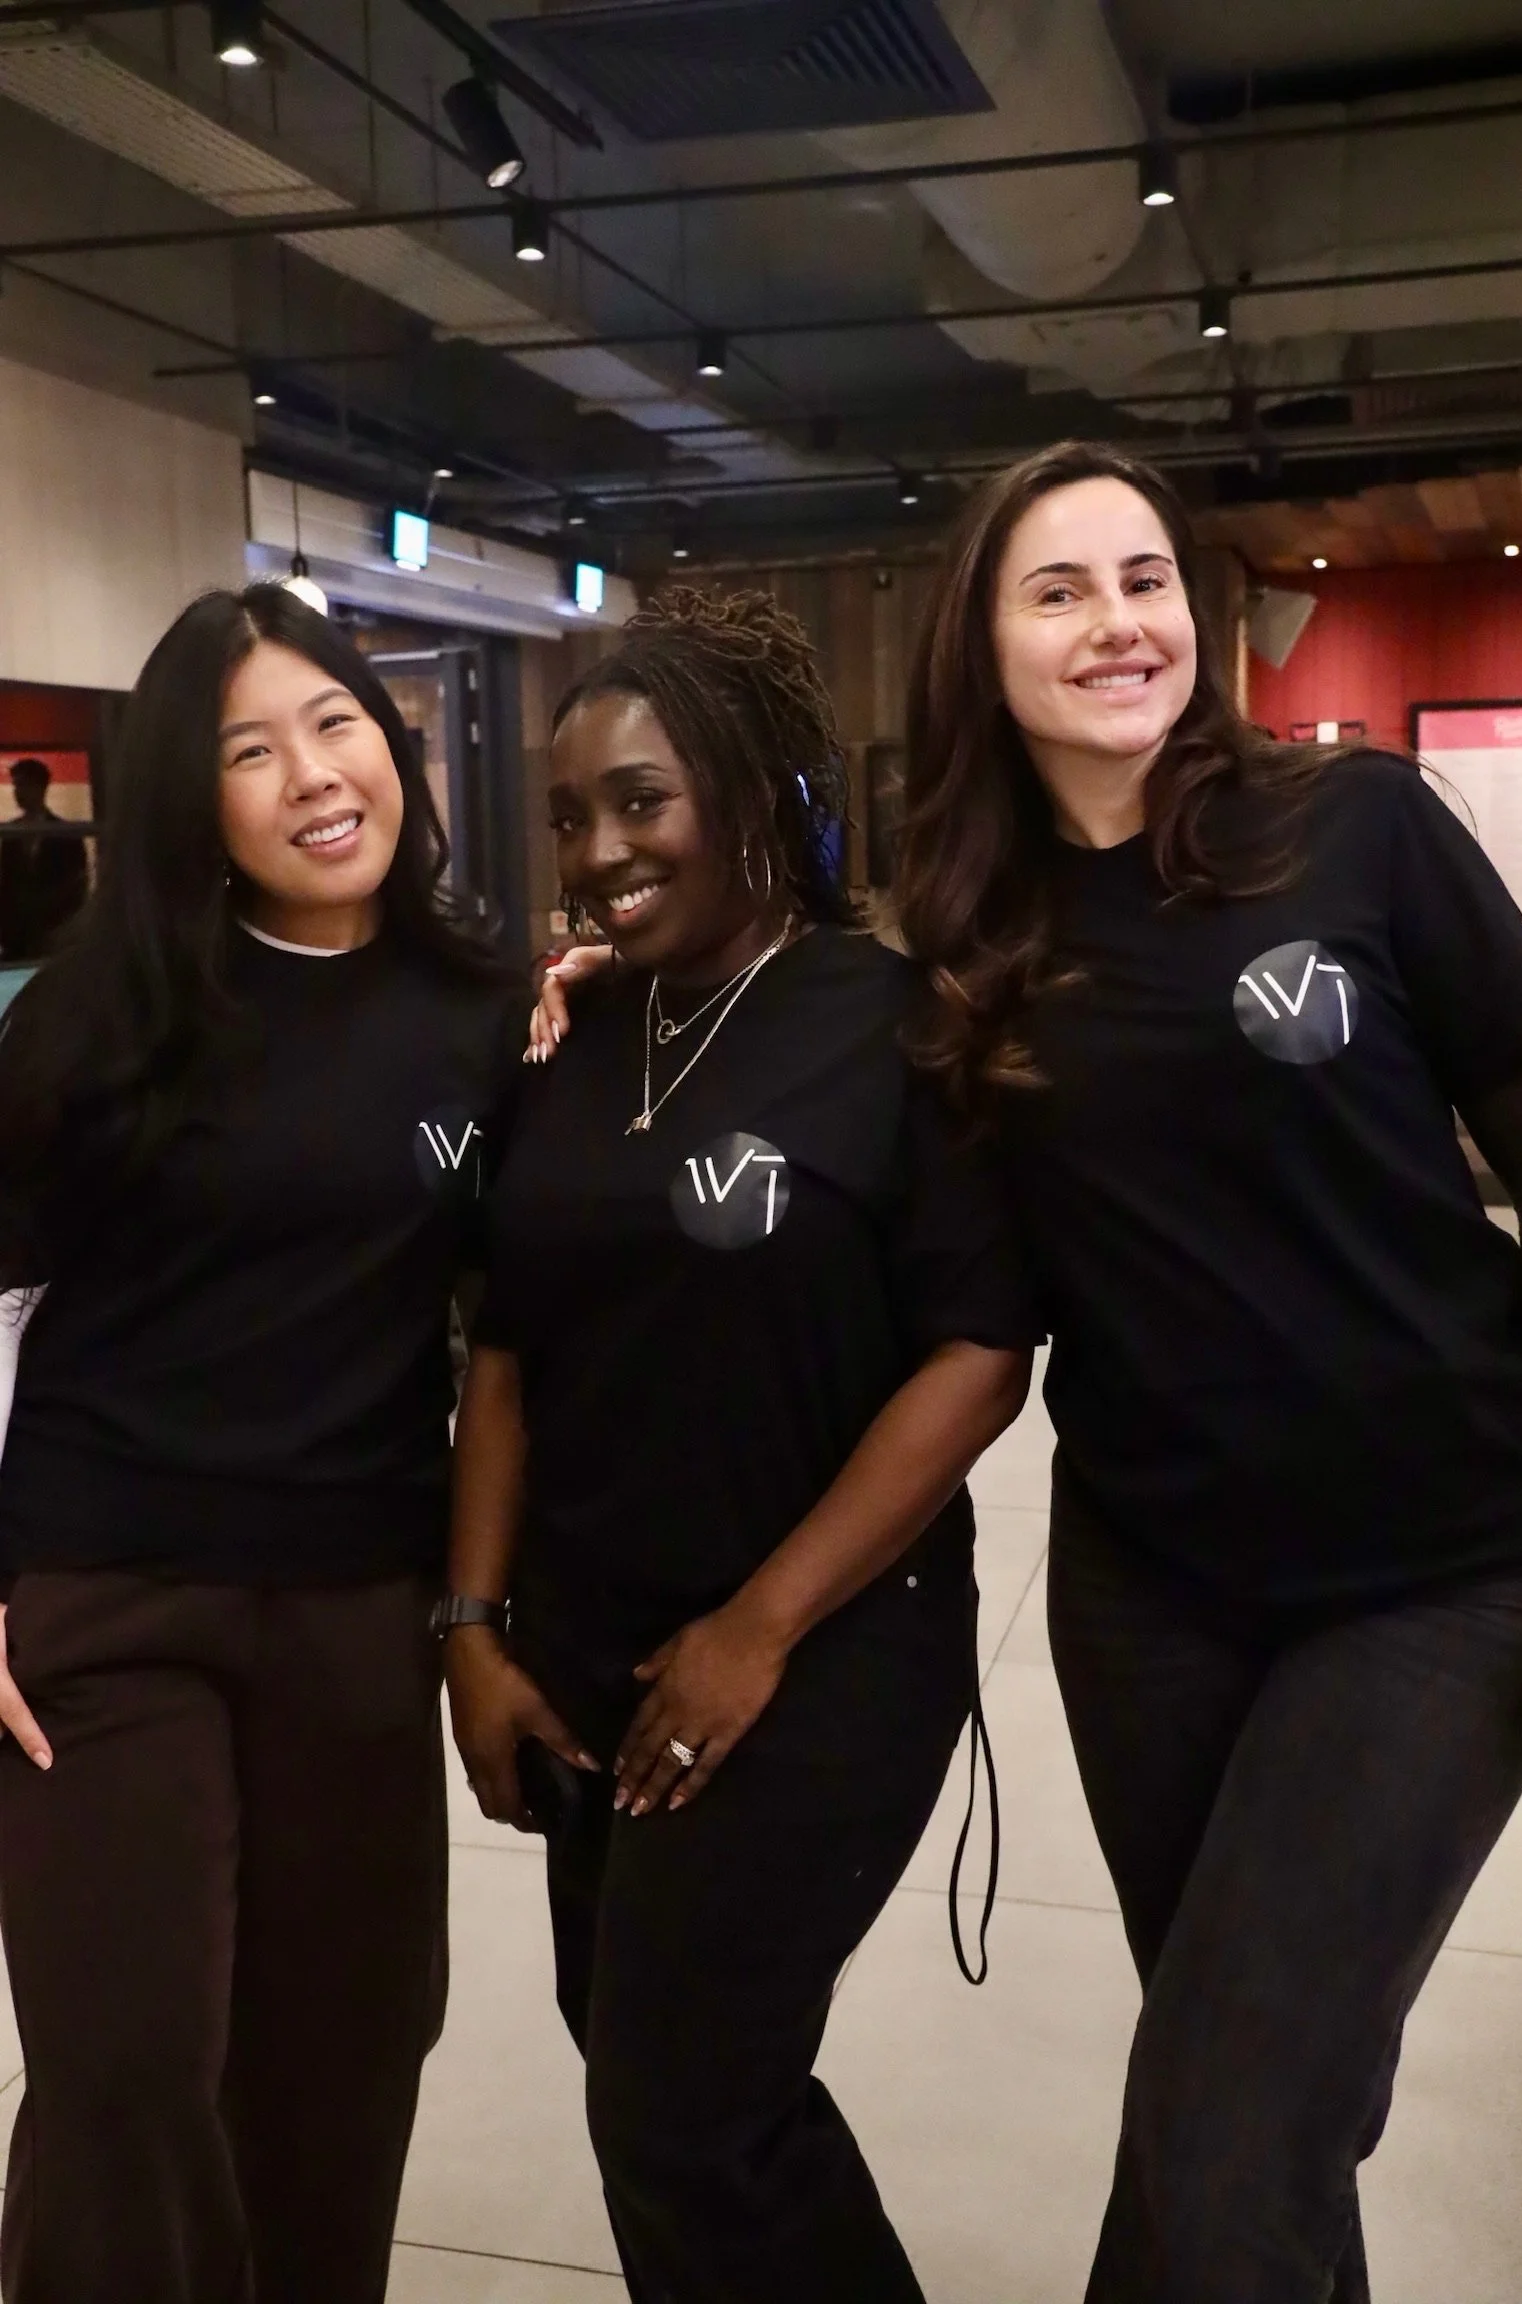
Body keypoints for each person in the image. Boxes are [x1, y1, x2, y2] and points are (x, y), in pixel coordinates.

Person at [896, 438, 1522, 2303]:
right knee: (1257, 2106)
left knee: (1229, 2127)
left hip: (1438, 1568)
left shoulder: (1359, 828)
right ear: (983, 644)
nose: (1119, 622)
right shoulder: (968, 947)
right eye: (1060, 590)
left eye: (1146, 578)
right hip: (1153, 1594)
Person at [446, 587, 1037, 2304]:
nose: (599, 853)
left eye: (642, 800)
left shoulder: (892, 1023)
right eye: (570, 816)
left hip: (828, 1645)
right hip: (582, 1653)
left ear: (756, 787)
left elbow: (981, 1355)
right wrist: (469, 1631)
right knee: (648, 2069)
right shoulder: (567, 1044)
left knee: (682, 2103)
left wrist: (759, 1627)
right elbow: (506, 1350)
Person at [0, 584, 520, 2304]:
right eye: (249, 748)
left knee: (347, 2058)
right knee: (129, 2072)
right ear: (188, 795)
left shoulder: (482, 1006)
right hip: (109, 1599)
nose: (313, 774)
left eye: (336, 722)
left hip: (355, 1603)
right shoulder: (103, 1011)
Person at [0, 756, 89, 961]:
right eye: (16, 785)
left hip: (54, 934)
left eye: (23, 785)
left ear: (40, 788)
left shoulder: (66, 835)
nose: (18, 792)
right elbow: (7, 883)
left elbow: (75, 886)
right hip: (17, 939)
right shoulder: (11, 834)